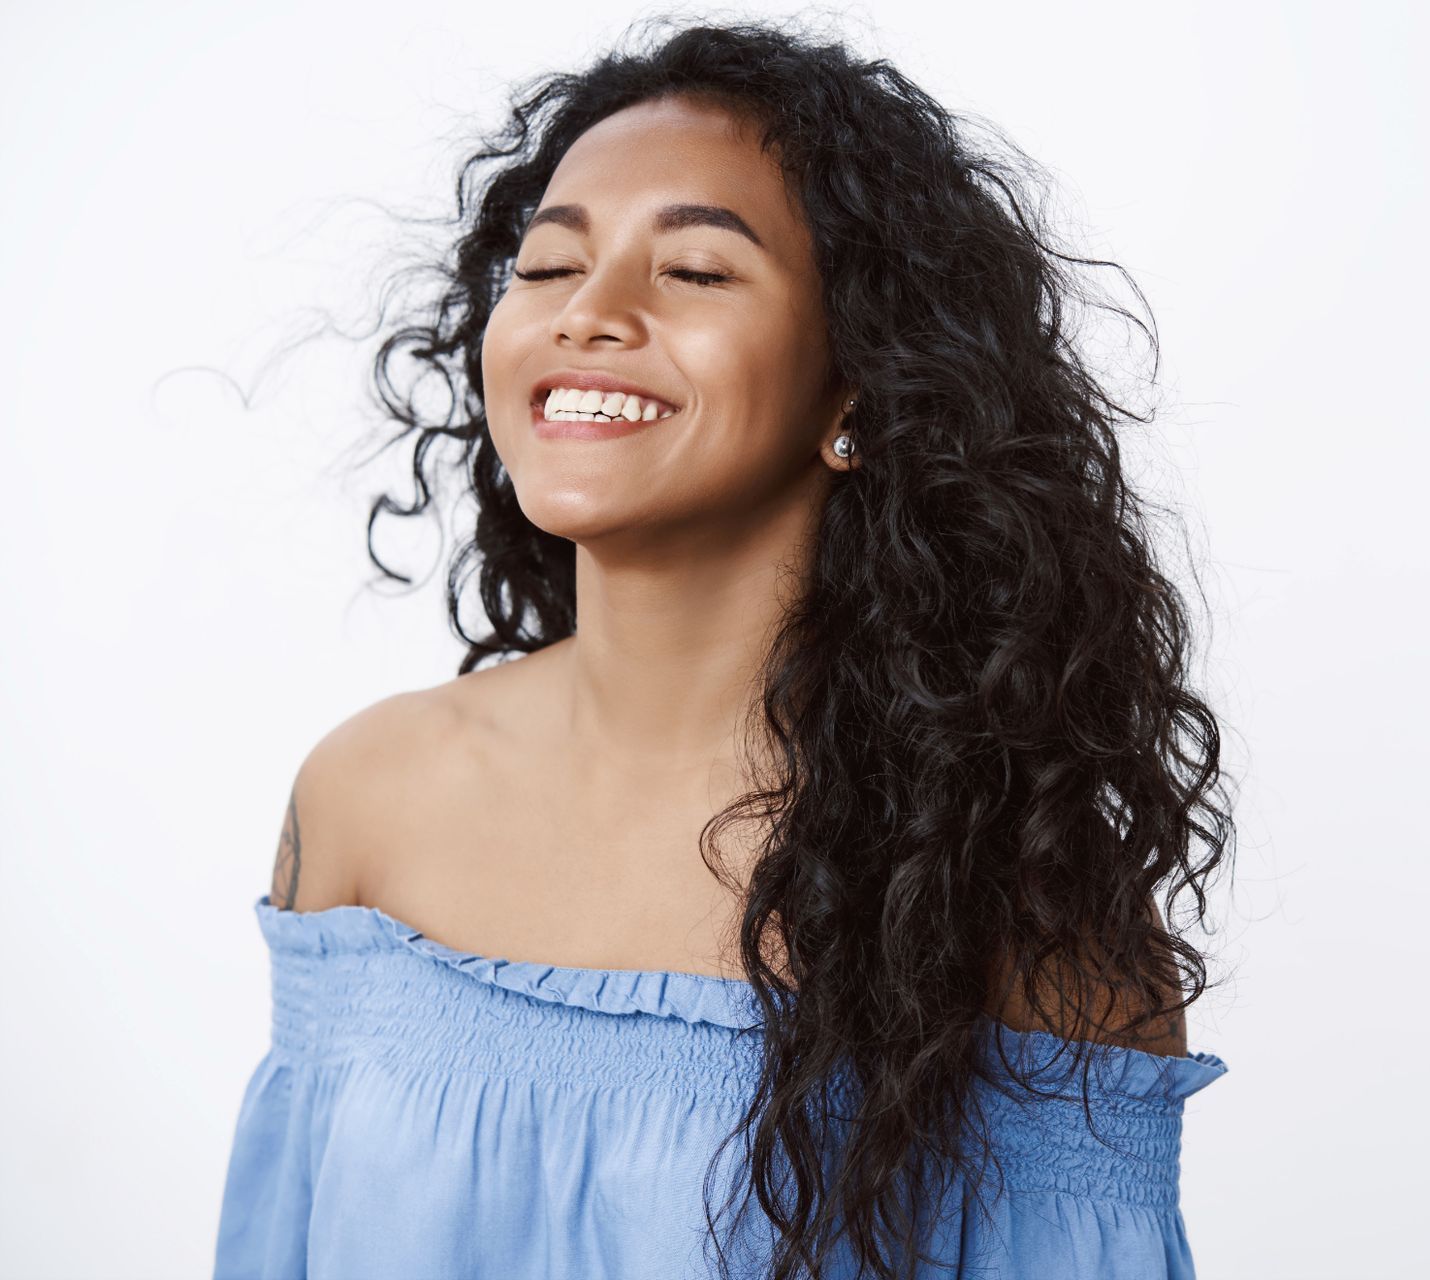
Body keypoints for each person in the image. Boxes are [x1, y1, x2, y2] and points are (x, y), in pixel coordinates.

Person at [213, 16, 1234, 1280]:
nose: (588, 314)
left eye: (693, 271)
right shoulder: (362, 801)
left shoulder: (1007, 885)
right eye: (544, 268)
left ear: (858, 383)